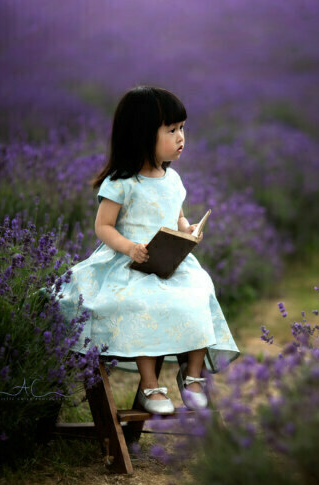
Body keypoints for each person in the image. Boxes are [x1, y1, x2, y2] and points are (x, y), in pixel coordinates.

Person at [49, 85, 240, 414]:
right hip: (129, 263)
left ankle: (192, 376)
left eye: (182, 129)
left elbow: (176, 216)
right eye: (171, 130)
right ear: (141, 134)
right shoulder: (122, 182)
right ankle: (149, 385)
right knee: (143, 302)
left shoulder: (173, 179)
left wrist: (187, 230)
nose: (181, 137)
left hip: (170, 260)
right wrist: (129, 247)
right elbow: (103, 226)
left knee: (199, 291)